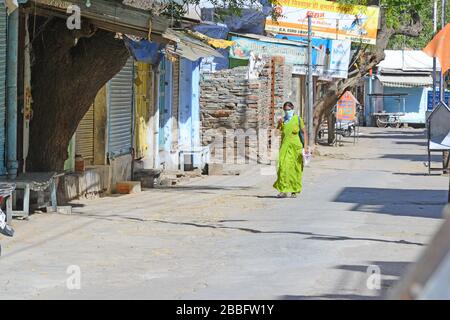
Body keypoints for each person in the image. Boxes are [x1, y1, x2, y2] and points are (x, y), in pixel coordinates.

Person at [273, 102, 307, 198]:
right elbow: (276, 134)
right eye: (285, 110)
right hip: (284, 147)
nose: (287, 111)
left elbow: (304, 133)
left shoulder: (298, 119)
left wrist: (306, 147)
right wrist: (279, 125)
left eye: (289, 109)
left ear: (292, 109)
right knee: (282, 168)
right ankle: (283, 190)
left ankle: (294, 190)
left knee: (295, 169)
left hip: (296, 148)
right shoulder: (282, 121)